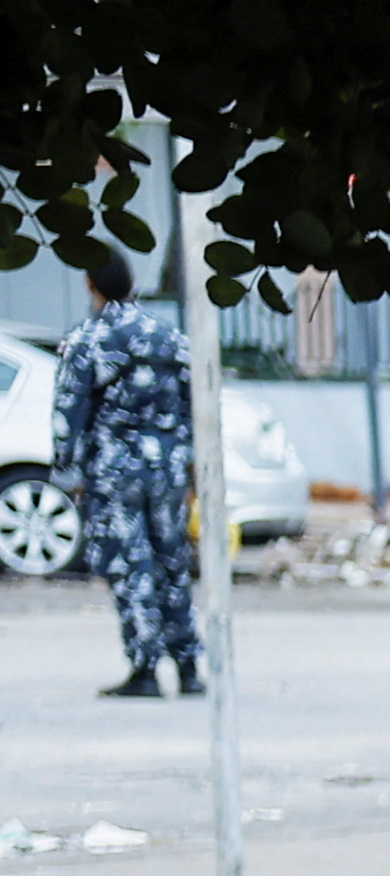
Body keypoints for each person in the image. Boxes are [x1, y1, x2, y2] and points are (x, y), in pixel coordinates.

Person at [49, 247, 202, 701]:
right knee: (172, 561)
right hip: (168, 467)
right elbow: (195, 401)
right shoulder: (169, 336)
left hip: (114, 471)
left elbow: (67, 413)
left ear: (90, 285)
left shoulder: (88, 340)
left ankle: (146, 667)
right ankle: (189, 665)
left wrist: (65, 468)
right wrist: (191, 464)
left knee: (130, 564)